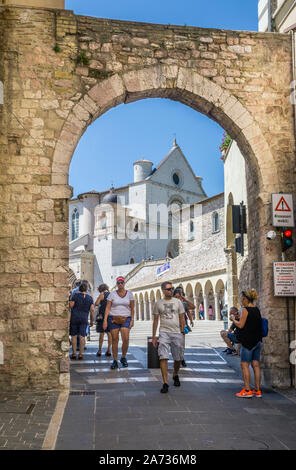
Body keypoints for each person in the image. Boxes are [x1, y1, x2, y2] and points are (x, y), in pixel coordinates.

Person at [152, 281, 185, 394]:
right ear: (163, 290)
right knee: (163, 357)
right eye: (169, 289)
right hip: (164, 332)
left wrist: (182, 331)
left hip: (176, 332)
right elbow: (156, 320)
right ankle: (165, 382)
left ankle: (175, 374)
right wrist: (154, 336)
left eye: (172, 288)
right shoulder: (158, 303)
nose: (171, 291)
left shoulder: (178, 302)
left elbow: (181, 317)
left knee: (178, 358)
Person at [230, 289, 263, 398]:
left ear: (244, 299)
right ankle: (257, 390)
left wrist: (233, 319)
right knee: (256, 365)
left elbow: (240, 325)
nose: (240, 300)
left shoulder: (245, 309)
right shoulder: (256, 309)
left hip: (248, 342)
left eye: (241, 298)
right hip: (257, 341)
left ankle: (247, 390)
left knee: (244, 365)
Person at [103, 276, 134, 370]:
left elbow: (132, 308)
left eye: (122, 282)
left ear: (124, 283)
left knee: (126, 339)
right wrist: (105, 320)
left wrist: (132, 319)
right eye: (118, 283)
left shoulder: (129, 294)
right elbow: (107, 308)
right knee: (115, 339)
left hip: (126, 318)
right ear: (116, 284)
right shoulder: (112, 294)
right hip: (113, 318)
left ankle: (123, 357)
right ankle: (115, 360)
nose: (120, 284)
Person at [69, 283, 95, 360]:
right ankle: (81, 354)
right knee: (82, 336)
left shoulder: (75, 296)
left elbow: (71, 305)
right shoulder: (90, 298)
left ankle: (74, 354)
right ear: (87, 290)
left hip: (74, 318)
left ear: (79, 289)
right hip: (84, 318)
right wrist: (92, 321)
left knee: (73, 336)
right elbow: (92, 310)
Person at [173, 287, 195, 368]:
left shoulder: (184, 303)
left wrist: (191, 320)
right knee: (176, 344)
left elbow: (192, 307)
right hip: (173, 326)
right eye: (176, 297)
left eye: (179, 297)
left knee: (182, 344)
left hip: (183, 325)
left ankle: (182, 359)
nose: (177, 298)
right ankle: (177, 358)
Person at [95, 284, 112, 357]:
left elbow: (96, 303)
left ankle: (99, 350)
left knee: (101, 334)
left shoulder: (102, 294)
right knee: (109, 334)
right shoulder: (112, 294)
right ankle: (108, 350)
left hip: (102, 316)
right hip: (110, 316)